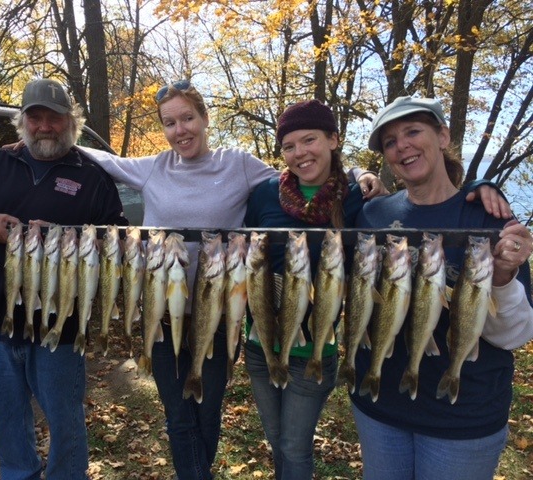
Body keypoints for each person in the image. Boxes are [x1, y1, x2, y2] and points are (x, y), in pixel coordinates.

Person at [78, 81, 386, 480]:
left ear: (205, 119)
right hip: (161, 314)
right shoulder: (153, 167)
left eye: (188, 118)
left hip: (220, 314)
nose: (180, 130)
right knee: (178, 417)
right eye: (169, 123)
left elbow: (298, 170)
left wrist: (362, 171)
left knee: (206, 412)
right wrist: (42, 137)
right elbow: (100, 158)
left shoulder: (238, 165)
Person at [0, 78, 128, 480]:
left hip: (60, 329)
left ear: (72, 121)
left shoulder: (92, 175)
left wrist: (69, 239)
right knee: (7, 422)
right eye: (36, 118)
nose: (45, 127)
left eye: (55, 118)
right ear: (23, 121)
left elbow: (116, 242)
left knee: (65, 423)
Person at [350, 96, 533, 480]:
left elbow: (515, 335)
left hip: (463, 419)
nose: (403, 146)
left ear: (443, 136)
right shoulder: (373, 214)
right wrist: (357, 171)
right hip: (378, 406)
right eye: (390, 142)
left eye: (413, 132)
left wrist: (501, 279)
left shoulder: (491, 218)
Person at [243, 99, 368, 479]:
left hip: (314, 349)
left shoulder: (358, 196)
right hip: (261, 344)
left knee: (295, 448)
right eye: (289, 146)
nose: (299, 153)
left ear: (333, 139)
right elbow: (248, 253)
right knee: (277, 441)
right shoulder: (265, 194)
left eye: (309, 140)